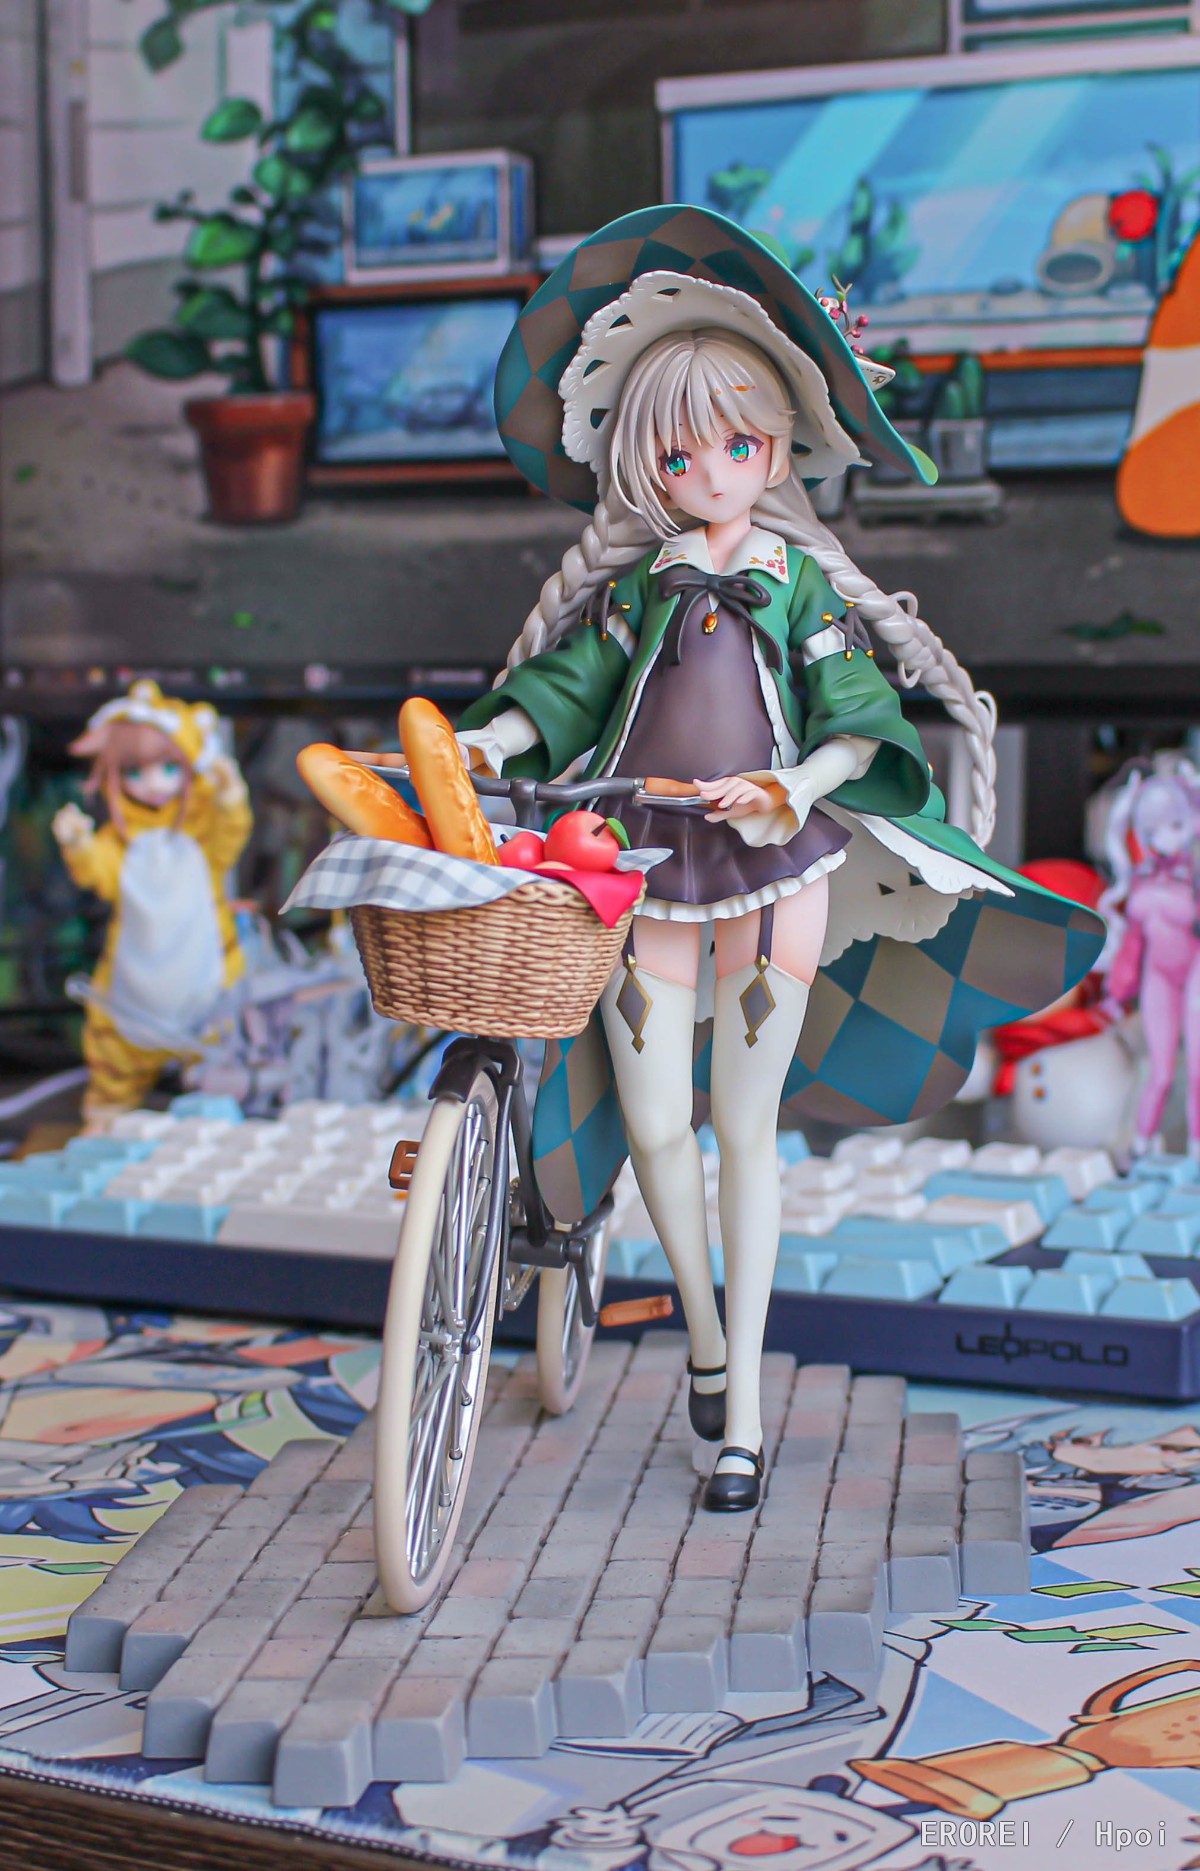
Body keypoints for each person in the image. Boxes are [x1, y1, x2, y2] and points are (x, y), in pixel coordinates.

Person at [456, 205, 1105, 1511]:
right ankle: (702, 1329)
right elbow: (571, 684)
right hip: (641, 856)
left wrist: (795, 782)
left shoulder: (795, 581)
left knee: (745, 1131)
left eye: (737, 443)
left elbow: (858, 711)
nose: (710, 470)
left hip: (778, 865)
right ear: (646, 462)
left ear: (775, 448)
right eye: (680, 450)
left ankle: (742, 1408)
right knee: (656, 1123)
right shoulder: (636, 588)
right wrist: (490, 737)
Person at [52, 680, 252, 1129]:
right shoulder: (119, 839)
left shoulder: (202, 830)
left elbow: (230, 836)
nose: (155, 784)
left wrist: (229, 798)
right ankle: (108, 1112)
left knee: (218, 1066)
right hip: (133, 988)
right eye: (134, 772)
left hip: (208, 986)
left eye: (169, 767)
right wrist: (79, 845)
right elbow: (101, 874)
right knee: (117, 1059)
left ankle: (217, 1119)